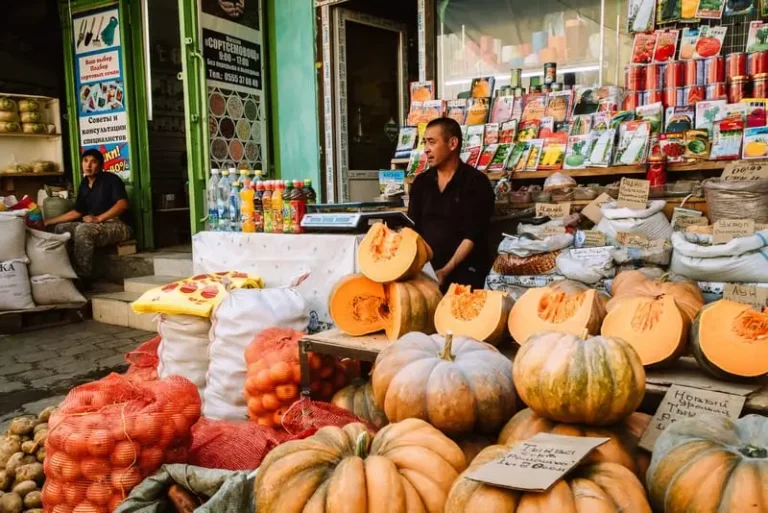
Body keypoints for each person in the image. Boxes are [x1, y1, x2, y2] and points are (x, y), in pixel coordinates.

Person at [407, 117, 495, 292]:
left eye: (432, 142)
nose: (426, 150)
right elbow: (412, 229)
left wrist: (445, 271)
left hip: (466, 271)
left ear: (452, 143)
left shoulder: (476, 182)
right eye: (425, 142)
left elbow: (472, 236)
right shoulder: (421, 183)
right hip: (427, 271)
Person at [44, 150, 133, 281]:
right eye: (85, 161)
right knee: (61, 229)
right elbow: (77, 212)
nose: (88, 165)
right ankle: (65, 270)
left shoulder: (111, 179)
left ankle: (82, 276)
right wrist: (48, 222)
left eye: (93, 162)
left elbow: (123, 204)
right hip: (96, 224)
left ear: (101, 165)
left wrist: (99, 218)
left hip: (118, 225)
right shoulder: (84, 184)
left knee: (83, 230)